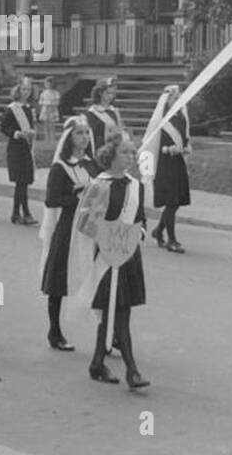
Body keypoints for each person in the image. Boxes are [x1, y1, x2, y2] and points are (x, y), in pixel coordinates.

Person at [75, 134, 149, 389]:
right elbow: (85, 223)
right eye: (126, 152)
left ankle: (97, 363)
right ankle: (132, 370)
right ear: (112, 155)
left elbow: (141, 219)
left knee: (117, 312)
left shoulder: (136, 186)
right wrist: (107, 234)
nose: (131, 157)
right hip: (106, 257)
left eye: (133, 153)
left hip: (128, 255)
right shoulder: (99, 185)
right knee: (116, 313)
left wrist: (138, 233)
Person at [39, 115, 97, 351]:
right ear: (69, 137)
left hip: (90, 227)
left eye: (86, 133)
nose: (84, 137)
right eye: (79, 133)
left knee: (97, 277)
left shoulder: (93, 164)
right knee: (58, 280)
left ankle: (106, 331)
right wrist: (76, 196)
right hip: (68, 226)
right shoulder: (60, 167)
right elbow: (51, 200)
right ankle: (55, 330)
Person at [141, 84, 191, 252]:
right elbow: (151, 143)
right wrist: (167, 149)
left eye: (179, 98)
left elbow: (185, 137)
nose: (178, 101)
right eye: (175, 98)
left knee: (175, 203)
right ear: (167, 100)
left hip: (177, 162)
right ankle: (172, 240)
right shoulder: (160, 120)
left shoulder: (181, 117)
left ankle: (158, 230)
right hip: (165, 164)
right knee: (171, 202)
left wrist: (186, 146)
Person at [1, 77, 38, 225]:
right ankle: (26, 213)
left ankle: (16, 213)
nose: (26, 92)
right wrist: (16, 133)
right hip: (16, 148)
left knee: (23, 183)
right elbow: (4, 127)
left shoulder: (29, 109)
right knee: (20, 182)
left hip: (27, 148)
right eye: (23, 89)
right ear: (18, 90)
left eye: (28, 90)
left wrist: (33, 133)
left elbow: (31, 126)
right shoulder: (12, 109)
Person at [84, 77, 123, 153]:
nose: (110, 97)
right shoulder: (93, 112)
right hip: (99, 149)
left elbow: (119, 131)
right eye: (108, 93)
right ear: (100, 93)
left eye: (112, 94)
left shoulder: (114, 111)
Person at [38, 76, 61, 143]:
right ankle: (46, 139)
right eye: (47, 83)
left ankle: (52, 139)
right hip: (45, 110)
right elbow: (40, 102)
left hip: (52, 110)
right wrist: (45, 104)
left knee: (51, 125)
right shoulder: (44, 93)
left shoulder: (56, 93)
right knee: (45, 125)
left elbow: (57, 102)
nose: (49, 85)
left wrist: (51, 105)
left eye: (50, 83)